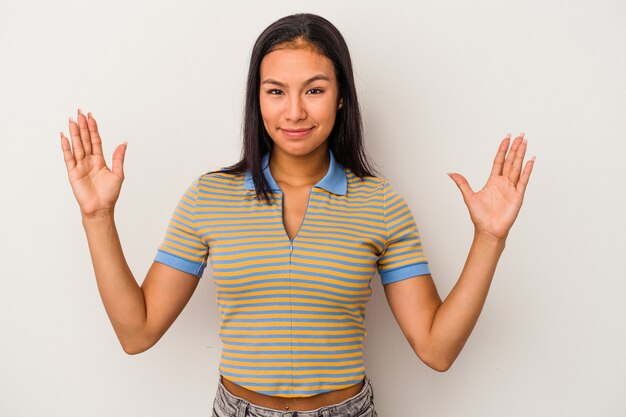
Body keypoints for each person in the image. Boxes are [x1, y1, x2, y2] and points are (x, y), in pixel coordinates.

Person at [60, 13, 535, 417]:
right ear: (257, 98)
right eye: (275, 91)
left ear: (341, 96)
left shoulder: (379, 203)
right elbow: (136, 331)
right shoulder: (211, 197)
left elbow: (436, 348)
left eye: (314, 90)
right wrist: (98, 216)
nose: (294, 112)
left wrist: (489, 238)